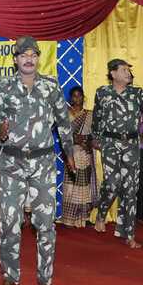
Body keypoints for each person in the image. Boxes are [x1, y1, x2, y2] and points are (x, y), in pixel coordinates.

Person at [0, 36, 74, 285]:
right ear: (15, 59)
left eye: (33, 55)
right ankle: (9, 276)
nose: (28, 59)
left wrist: (69, 151)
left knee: (45, 223)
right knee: (10, 222)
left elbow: (63, 121)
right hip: (12, 163)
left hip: (43, 163)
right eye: (23, 55)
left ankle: (45, 278)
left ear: (38, 59)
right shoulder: (3, 86)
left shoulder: (50, 86)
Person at [90, 59, 143, 248]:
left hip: (132, 144)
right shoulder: (102, 93)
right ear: (113, 73)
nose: (128, 73)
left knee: (130, 189)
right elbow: (97, 117)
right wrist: (95, 138)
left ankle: (129, 234)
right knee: (112, 183)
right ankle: (101, 213)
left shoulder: (136, 93)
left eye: (129, 70)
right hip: (110, 143)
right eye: (124, 70)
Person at [60, 85, 96, 228]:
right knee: (71, 186)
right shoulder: (65, 114)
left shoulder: (89, 115)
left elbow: (94, 134)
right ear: (71, 98)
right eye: (74, 96)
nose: (77, 98)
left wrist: (87, 142)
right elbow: (63, 135)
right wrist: (76, 139)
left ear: (83, 97)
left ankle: (84, 218)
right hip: (71, 153)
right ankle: (69, 219)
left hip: (85, 152)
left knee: (84, 186)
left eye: (79, 95)